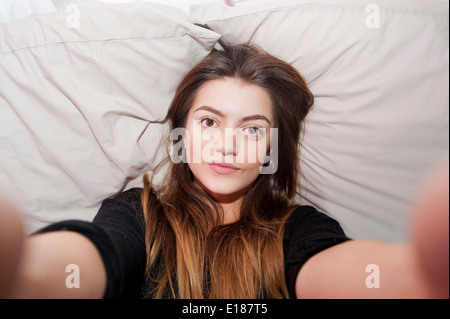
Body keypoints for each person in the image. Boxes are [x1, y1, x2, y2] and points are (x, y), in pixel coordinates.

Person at [0, 44, 448, 299]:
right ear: (181, 132)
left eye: (253, 129)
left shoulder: (298, 229)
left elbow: (333, 271)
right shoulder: (137, 214)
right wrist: (26, 273)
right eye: (209, 122)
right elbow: (98, 258)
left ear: (273, 148)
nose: (227, 145)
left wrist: (411, 277)